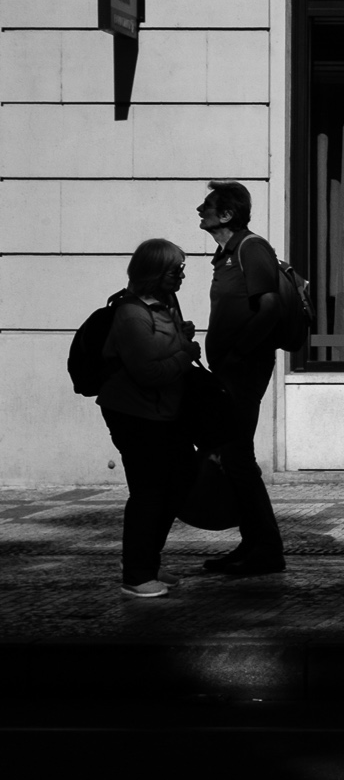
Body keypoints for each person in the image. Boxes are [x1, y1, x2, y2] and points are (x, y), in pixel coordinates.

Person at [98, 239, 200, 598]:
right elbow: (148, 373)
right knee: (149, 490)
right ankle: (137, 574)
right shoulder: (131, 313)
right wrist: (186, 352)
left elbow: (161, 352)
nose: (181, 277)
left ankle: (147, 563)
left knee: (179, 480)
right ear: (154, 272)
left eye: (182, 270)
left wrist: (180, 338)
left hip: (163, 412)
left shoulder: (164, 305)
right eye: (175, 271)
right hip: (135, 413)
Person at [197, 180, 287, 575]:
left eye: (207, 205)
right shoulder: (227, 254)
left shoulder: (251, 248)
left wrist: (237, 354)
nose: (200, 210)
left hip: (244, 372)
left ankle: (265, 548)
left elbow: (269, 307)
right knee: (235, 457)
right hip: (229, 372)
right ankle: (255, 544)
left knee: (237, 456)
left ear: (227, 214)